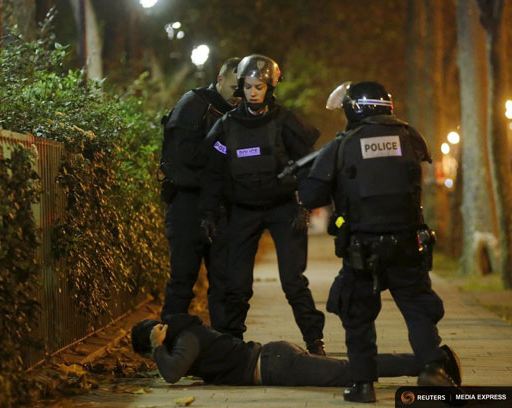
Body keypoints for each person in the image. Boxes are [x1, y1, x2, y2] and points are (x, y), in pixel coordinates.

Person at [298, 81, 460, 402]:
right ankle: (432, 369)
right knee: (417, 307)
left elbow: (310, 194)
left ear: (352, 109)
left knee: (356, 312)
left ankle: (362, 386)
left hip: (363, 248)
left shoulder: (342, 145)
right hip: (407, 243)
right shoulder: (411, 137)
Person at [199, 54, 326, 355]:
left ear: (271, 87)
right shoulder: (226, 126)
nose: (253, 92)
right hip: (242, 210)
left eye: (259, 86)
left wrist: (305, 205)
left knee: (293, 281)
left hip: (282, 208)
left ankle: (314, 341)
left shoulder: (286, 121)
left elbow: (310, 167)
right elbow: (213, 172)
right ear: (241, 86)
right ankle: (231, 343)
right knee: (237, 284)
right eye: (248, 86)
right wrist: (208, 211)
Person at [130, 314, 461, 388]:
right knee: (350, 368)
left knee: (351, 370)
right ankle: (429, 360)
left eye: (149, 351)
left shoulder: (186, 337)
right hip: (275, 361)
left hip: (276, 364)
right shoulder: (187, 338)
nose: (153, 358)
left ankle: (432, 359)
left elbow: (171, 372)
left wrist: (157, 349)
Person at [159, 58, 241, 331]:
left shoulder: (242, 111)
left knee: (225, 283)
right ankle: (170, 345)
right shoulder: (193, 104)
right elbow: (182, 155)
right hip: (188, 203)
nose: (238, 94)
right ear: (219, 80)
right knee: (182, 278)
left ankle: (228, 350)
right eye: (233, 86)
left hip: (222, 207)